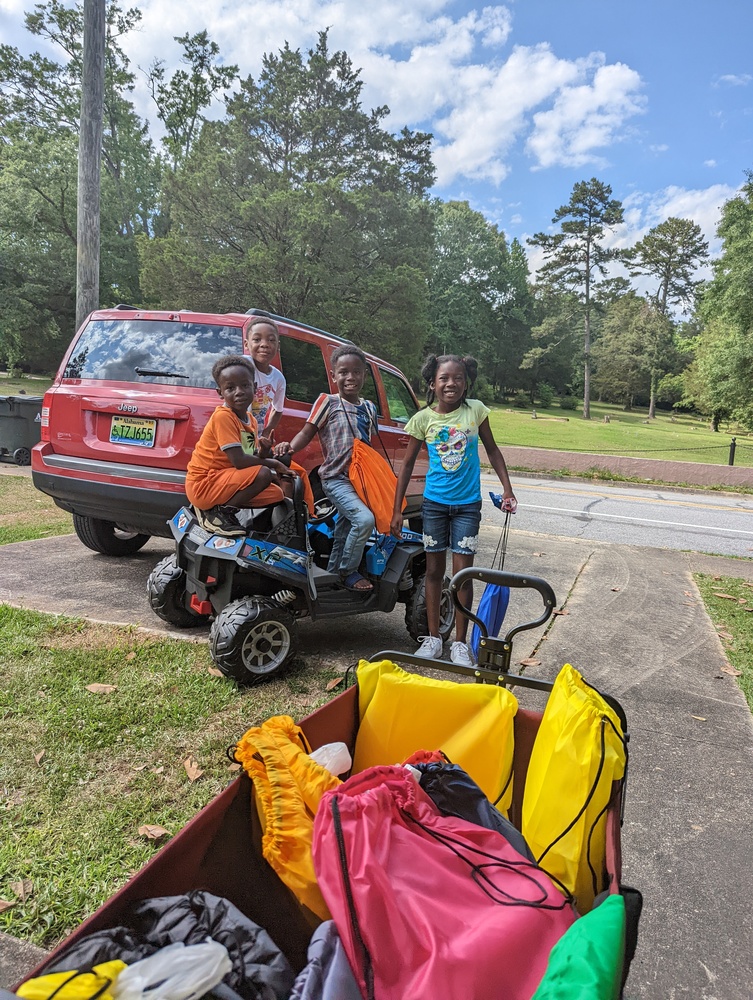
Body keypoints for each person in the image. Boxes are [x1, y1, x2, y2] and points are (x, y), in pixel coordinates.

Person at [391, 354, 517, 666]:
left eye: (457, 378)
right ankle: (433, 638)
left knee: (463, 574)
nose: (451, 383)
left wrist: (508, 488)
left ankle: (460, 644)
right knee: (433, 572)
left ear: (466, 383)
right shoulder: (422, 419)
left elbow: (493, 449)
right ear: (432, 383)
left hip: (467, 507)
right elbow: (406, 466)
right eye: (444, 378)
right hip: (433, 506)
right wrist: (397, 509)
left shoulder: (476, 411)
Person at [276, 345, 377, 592]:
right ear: (333, 376)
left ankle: (330, 578)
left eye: (356, 372)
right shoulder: (328, 402)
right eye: (343, 372)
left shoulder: (369, 409)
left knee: (344, 529)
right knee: (364, 521)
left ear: (364, 374)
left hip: (359, 481)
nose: (350, 378)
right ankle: (348, 572)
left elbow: (368, 449)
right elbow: (307, 431)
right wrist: (289, 448)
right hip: (335, 479)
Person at [185, 355, 296, 537]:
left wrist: (265, 451)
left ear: (255, 387)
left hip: (224, 479)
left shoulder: (250, 420)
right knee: (264, 473)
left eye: (245, 385)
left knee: (276, 494)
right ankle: (216, 514)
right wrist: (274, 464)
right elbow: (239, 461)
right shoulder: (224, 416)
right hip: (204, 483)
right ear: (220, 392)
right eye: (230, 388)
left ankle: (222, 509)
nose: (239, 392)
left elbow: (249, 456)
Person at [243, 313, 316, 516]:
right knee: (256, 468)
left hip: (256, 437)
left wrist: (265, 433)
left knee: (286, 464)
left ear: (278, 347)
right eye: (257, 339)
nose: (264, 344)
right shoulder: (244, 366)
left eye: (271, 340)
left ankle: (286, 517)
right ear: (247, 344)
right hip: (240, 432)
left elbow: (278, 409)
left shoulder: (278, 378)